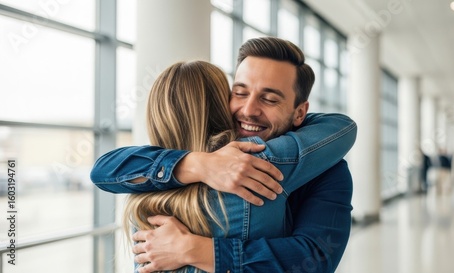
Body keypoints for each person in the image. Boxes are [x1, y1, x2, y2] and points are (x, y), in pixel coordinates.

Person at [91, 37, 356, 272]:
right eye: (240, 93)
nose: (249, 110)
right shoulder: (167, 165)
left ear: (300, 113)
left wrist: (197, 250)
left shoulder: (327, 168)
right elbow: (103, 170)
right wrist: (198, 165)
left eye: (270, 99)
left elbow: (316, 258)